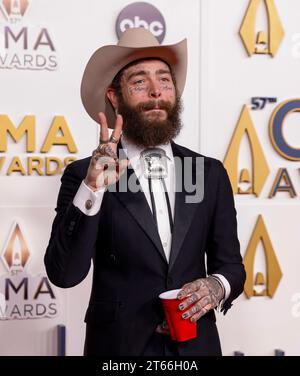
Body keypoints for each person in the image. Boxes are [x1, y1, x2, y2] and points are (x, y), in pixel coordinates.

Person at [44, 28, 246, 356]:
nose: (155, 92)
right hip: (119, 350)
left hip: (195, 349)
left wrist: (215, 286)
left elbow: (232, 267)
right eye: (140, 82)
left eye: (164, 80)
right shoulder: (85, 175)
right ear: (114, 96)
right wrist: (93, 189)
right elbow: (64, 273)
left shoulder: (208, 173)